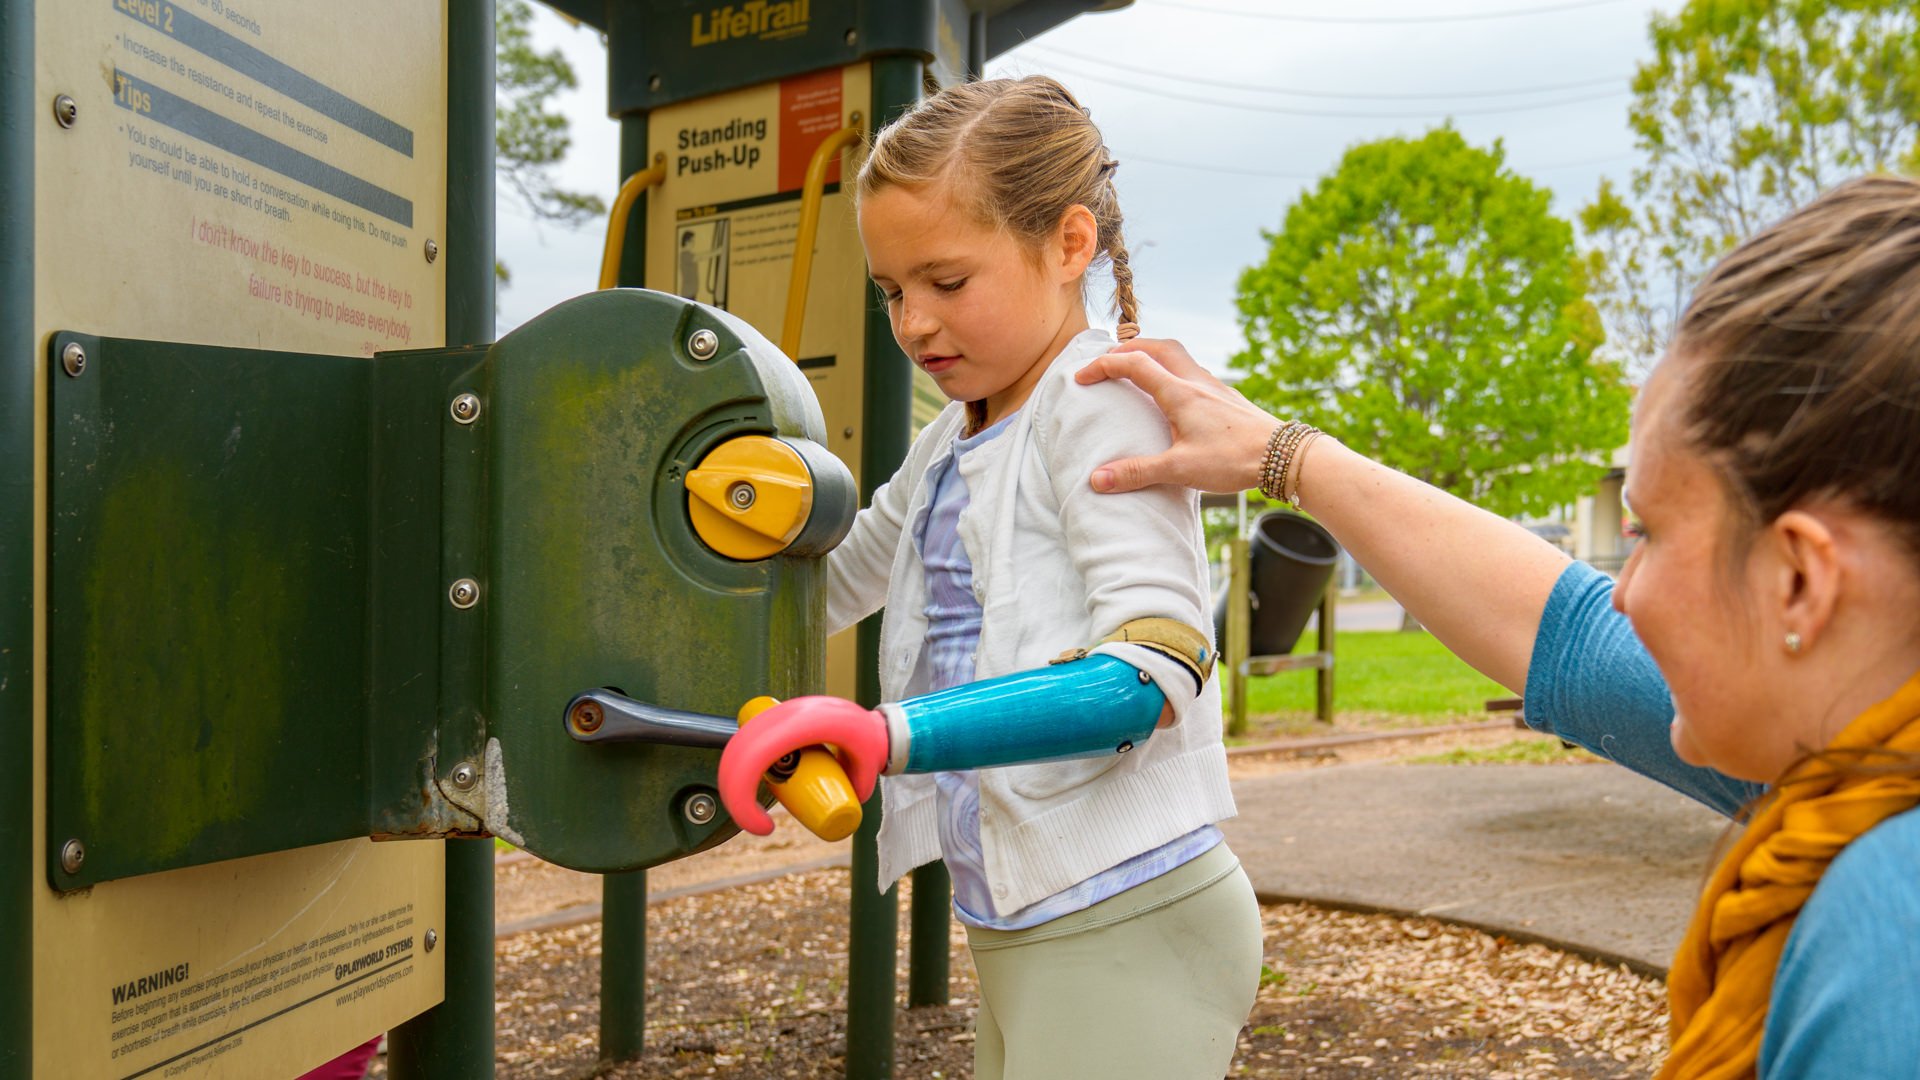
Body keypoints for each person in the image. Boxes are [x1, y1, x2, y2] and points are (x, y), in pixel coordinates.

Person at [1074, 175, 1920, 1078]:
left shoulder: (1885, 930)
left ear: (1799, 581)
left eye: (1651, 534)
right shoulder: (1860, 750)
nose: (1625, 590)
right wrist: (1287, 457)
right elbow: (1572, 638)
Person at [714, 76, 1260, 1079]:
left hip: (1124, 916)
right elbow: (828, 583)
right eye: (891, 292)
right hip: (1023, 918)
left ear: (1068, 245)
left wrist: (886, 734)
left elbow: (1152, 671)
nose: (914, 322)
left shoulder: (1097, 404)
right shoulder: (949, 442)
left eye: (947, 283)